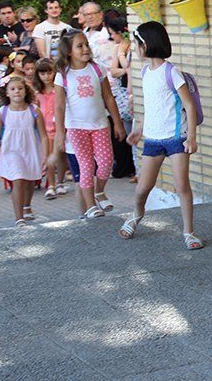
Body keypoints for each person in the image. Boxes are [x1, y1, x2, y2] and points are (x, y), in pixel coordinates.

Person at [119, 21, 202, 250]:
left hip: (177, 138)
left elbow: (189, 106)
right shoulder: (146, 72)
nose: (135, 48)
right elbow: (152, 106)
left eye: (137, 44)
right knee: (143, 188)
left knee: (182, 186)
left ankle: (189, 232)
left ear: (146, 44)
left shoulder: (171, 71)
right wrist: (138, 129)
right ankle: (136, 214)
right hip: (153, 139)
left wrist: (191, 137)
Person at [52, 29, 125, 218]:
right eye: (80, 46)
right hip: (77, 128)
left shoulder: (97, 68)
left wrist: (117, 122)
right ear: (68, 51)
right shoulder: (63, 74)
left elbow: (108, 97)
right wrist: (61, 133)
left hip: (100, 125)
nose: (85, 49)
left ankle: (99, 191)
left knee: (106, 162)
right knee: (86, 166)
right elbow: (59, 107)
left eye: (86, 44)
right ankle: (91, 205)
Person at [0, 76, 48, 226]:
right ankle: (19, 217)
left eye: (20, 88)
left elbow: (43, 136)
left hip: (30, 149)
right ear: (6, 93)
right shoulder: (2, 112)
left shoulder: (34, 110)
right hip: (11, 151)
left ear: (26, 91)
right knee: (18, 180)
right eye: (12, 89)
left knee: (30, 179)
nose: (17, 91)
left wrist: (45, 154)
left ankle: (27, 206)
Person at [106, 17, 135, 179]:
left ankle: (136, 169)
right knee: (127, 132)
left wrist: (125, 66)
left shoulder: (132, 47)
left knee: (133, 132)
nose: (112, 38)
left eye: (113, 34)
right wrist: (127, 70)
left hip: (131, 92)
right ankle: (131, 167)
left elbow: (122, 68)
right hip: (124, 91)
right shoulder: (119, 48)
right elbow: (114, 71)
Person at [35, 58, 68, 198]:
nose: (46, 77)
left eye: (49, 73)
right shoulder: (38, 93)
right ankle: (51, 184)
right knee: (47, 156)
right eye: (42, 74)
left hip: (59, 127)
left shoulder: (58, 90)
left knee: (60, 156)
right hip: (44, 130)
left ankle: (60, 181)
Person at [81, 2, 114, 72]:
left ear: (101, 14)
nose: (90, 17)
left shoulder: (108, 32)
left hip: (107, 75)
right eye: (86, 14)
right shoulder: (84, 32)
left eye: (93, 13)